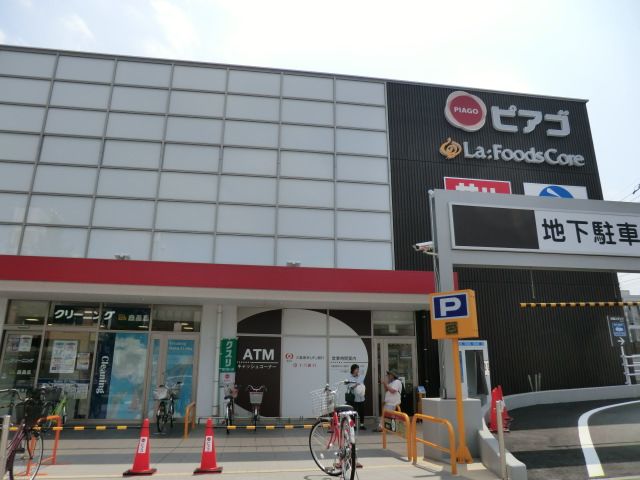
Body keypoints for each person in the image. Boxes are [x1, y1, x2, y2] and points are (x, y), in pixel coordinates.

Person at [346, 364, 366, 430]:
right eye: (356, 369)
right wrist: (356, 385)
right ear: (353, 370)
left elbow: (362, 385)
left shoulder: (360, 377)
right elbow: (349, 387)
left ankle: (362, 425)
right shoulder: (349, 378)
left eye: (358, 369)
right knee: (352, 413)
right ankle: (353, 426)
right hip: (354, 398)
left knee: (362, 411)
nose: (357, 370)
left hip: (361, 397)